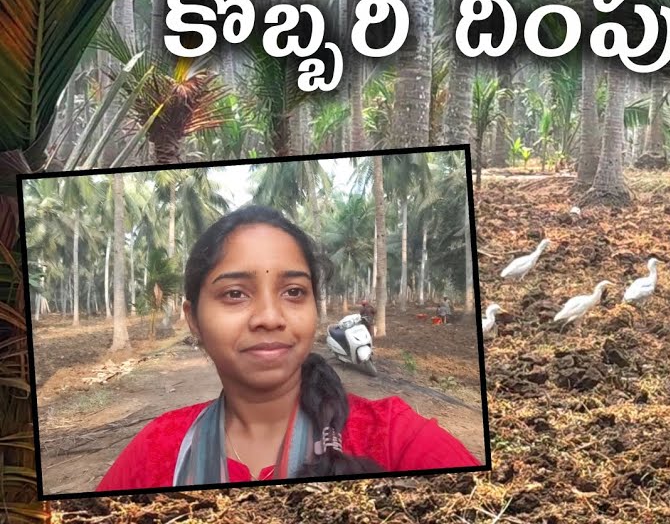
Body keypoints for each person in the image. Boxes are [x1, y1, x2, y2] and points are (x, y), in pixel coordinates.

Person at [96, 206, 479, 491]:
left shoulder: (395, 438)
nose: (269, 317)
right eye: (234, 294)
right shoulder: (156, 451)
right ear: (193, 319)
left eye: (294, 292)